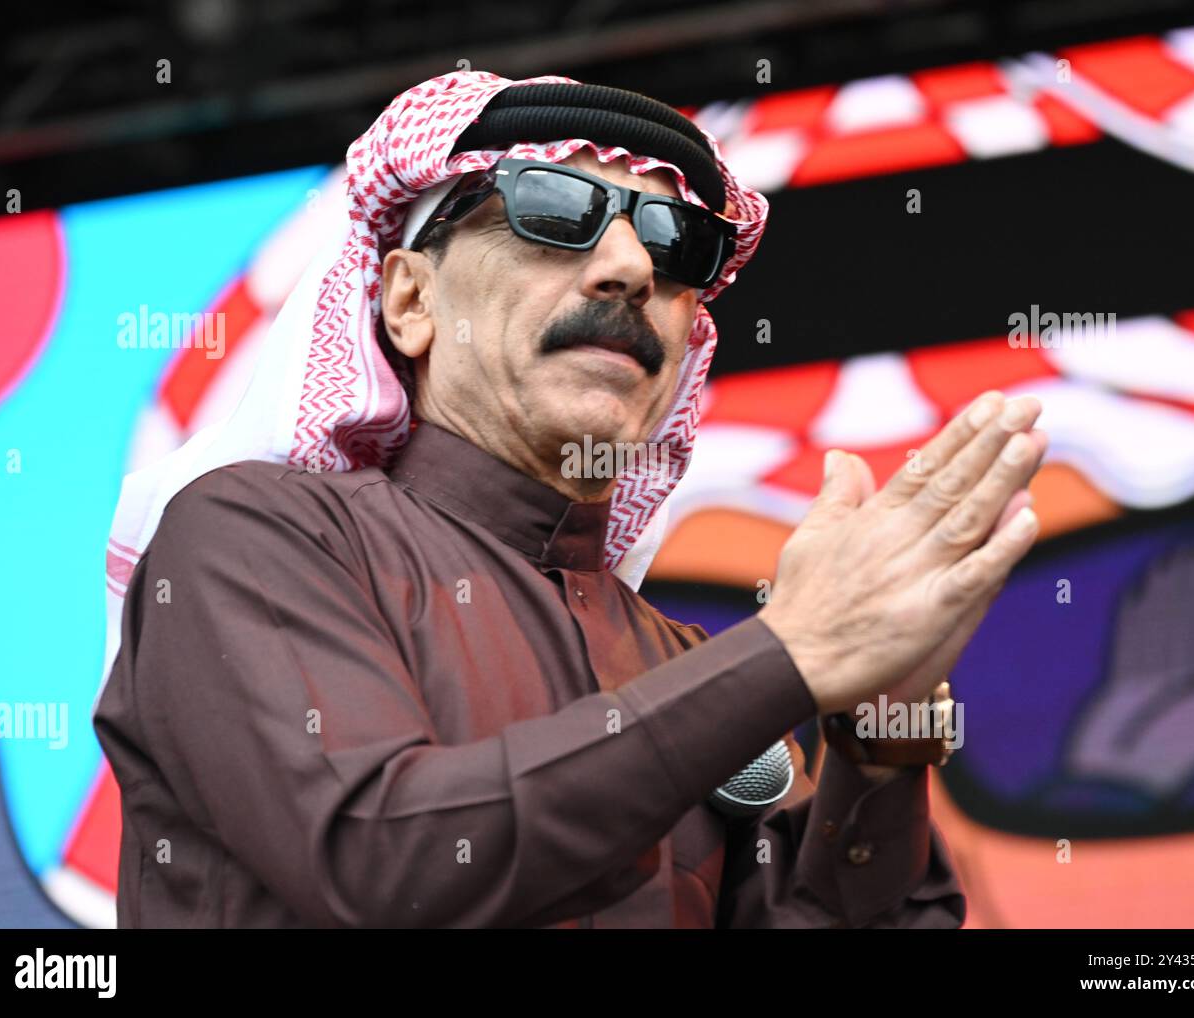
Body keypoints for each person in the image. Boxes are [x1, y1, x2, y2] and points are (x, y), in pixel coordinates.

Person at [91, 71, 1048, 928]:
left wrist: (882, 736)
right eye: (553, 210)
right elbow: (383, 866)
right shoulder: (255, 538)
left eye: (677, 243)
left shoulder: (681, 659)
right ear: (410, 303)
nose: (632, 268)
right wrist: (785, 660)